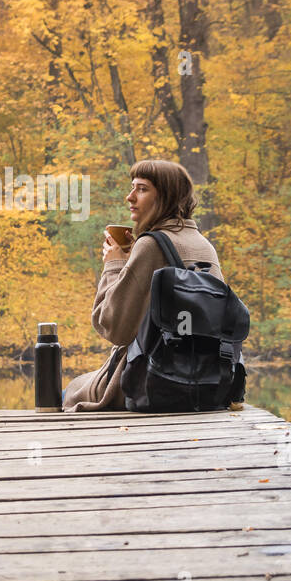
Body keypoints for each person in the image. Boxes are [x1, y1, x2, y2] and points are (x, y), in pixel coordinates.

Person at [62, 159, 224, 412]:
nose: (130, 197)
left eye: (141, 189)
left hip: (151, 381)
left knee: (67, 391)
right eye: (132, 188)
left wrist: (114, 266)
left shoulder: (150, 245)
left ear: (166, 198)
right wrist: (130, 265)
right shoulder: (203, 245)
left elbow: (113, 328)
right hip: (206, 381)